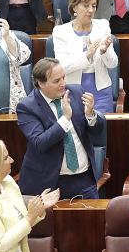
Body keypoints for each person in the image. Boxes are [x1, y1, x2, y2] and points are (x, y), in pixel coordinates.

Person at [16, 57, 106, 199]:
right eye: (56, 81)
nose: (63, 84)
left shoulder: (76, 92)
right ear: (40, 83)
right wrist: (65, 119)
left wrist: (91, 115)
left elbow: (97, 132)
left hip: (84, 179)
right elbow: (40, 143)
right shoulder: (27, 107)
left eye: (63, 78)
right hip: (49, 183)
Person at [51, 0, 118, 114]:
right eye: (86, 5)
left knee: (100, 130)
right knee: (78, 133)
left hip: (101, 93)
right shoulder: (61, 31)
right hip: (73, 93)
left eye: (93, 6)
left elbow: (113, 64)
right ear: (74, 7)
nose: (91, 10)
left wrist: (104, 51)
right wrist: (87, 55)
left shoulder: (103, 26)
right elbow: (62, 67)